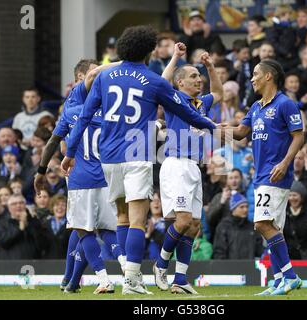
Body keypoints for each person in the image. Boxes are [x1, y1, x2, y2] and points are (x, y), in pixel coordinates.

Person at [61, 25, 217, 295]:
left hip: (108, 156)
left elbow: (84, 117)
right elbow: (187, 112)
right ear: (149, 50)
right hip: (137, 154)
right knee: (136, 220)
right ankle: (132, 280)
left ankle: (129, 277)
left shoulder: (105, 77)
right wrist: (216, 127)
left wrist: (70, 152)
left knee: (121, 217)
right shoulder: (155, 81)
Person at [34, 58, 125, 294]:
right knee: (102, 228)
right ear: (79, 78)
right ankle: (124, 272)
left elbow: (57, 143)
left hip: (80, 175)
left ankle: (90, 279)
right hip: (106, 175)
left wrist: (41, 171)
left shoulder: (72, 107)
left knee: (82, 228)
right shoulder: (104, 105)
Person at [227, 59, 304, 295]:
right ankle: (280, 280)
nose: (252, 79)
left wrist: (284, 162)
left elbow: (299, 136)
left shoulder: (285, 104)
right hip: (261, 175)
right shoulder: (256, 106)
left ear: (269, 76)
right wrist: (209, 127)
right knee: (272, 228)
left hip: (275, 174)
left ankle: (290, 276)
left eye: (256, 74)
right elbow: (240, 133)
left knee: (262, 224)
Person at [152, 43, 222, 294]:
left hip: (194, 167)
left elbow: (220, 94)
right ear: (180, 82)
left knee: (193, 225)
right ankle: (160, 265)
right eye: (193, 76)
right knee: (181, 221)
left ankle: (180, 280)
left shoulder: (200, 103)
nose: (199, 79)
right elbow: (161, 82)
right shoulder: (176, 99)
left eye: (198, 75)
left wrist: (210, 67)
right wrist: (175, 57)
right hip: (176, 164)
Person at [213, 191, 263, 259]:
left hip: (250, 268)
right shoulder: (223, 227)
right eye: (241, 207)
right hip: (230, 268)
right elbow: (219, 252)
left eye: (247, 206)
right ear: (233, 209)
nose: (245, 210)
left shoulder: (252, 227)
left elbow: (259, 251)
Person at [283, 181, 307, 260]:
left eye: (295, 195)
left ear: (302, 196)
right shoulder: (283, 211)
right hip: (289, 256)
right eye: (289, 195)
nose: (292, 198)